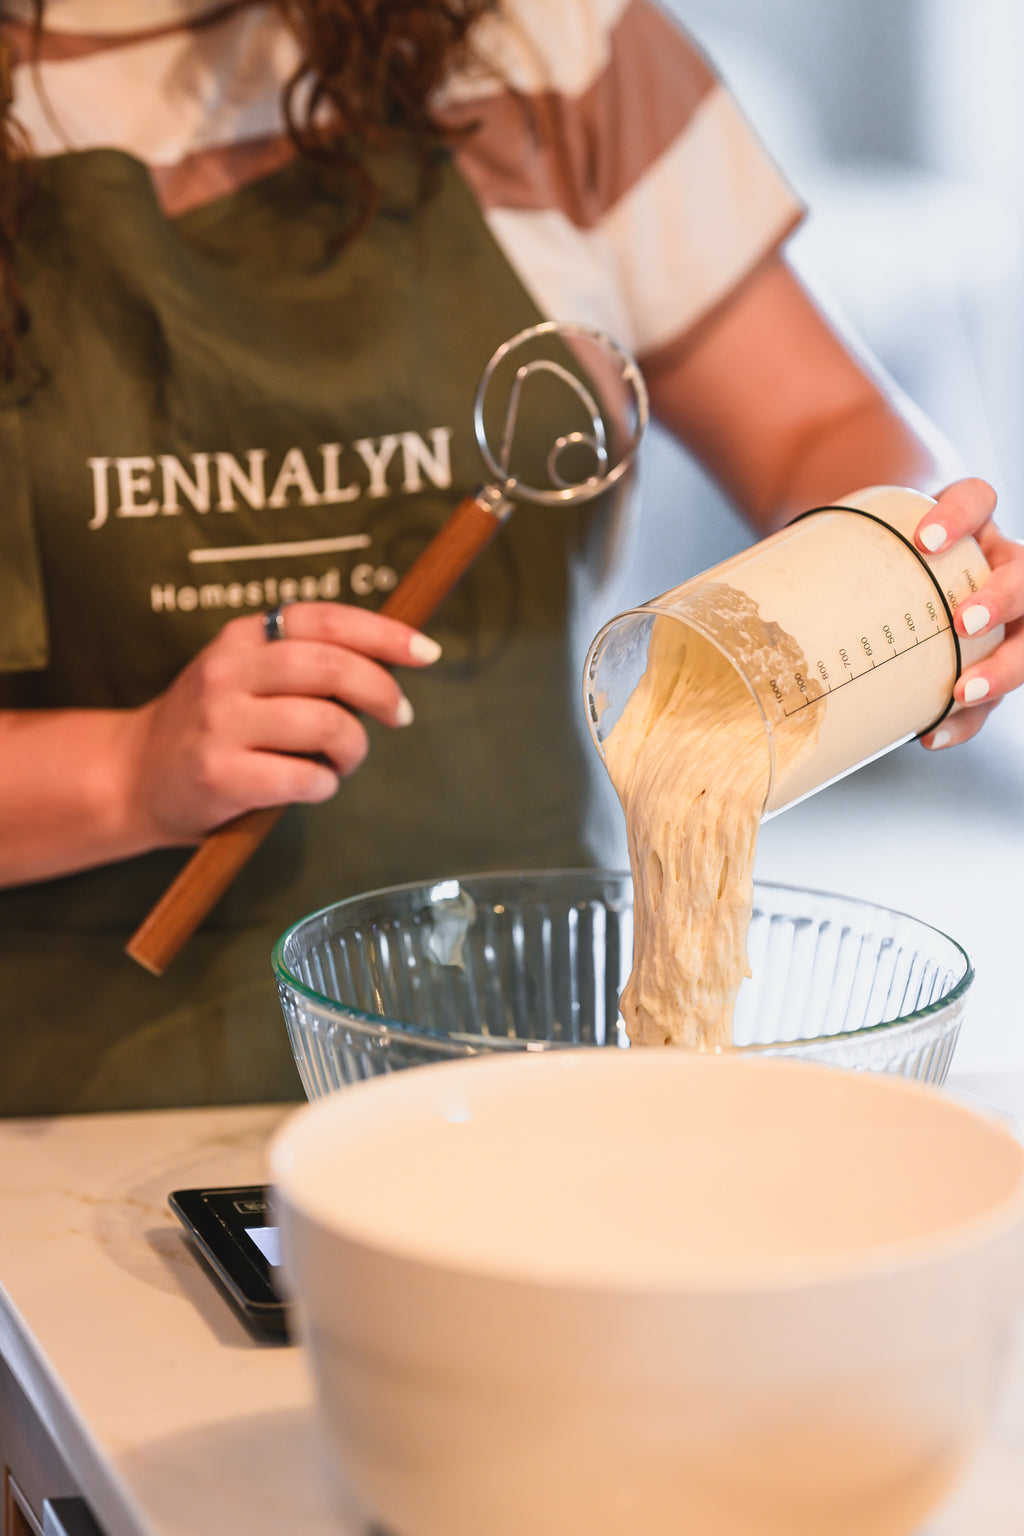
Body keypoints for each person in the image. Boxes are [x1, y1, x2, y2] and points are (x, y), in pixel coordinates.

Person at [0, 0, 1019, 1116]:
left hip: (521, 1058)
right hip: (72, 1109)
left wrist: (907, 575)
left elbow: (822, 426)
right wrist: (128, 769)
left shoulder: (549, 47)